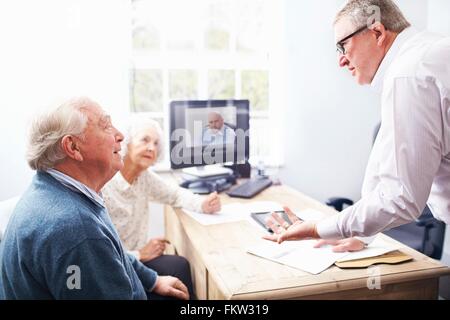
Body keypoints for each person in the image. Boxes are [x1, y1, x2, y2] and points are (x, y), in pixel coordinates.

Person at [265, 0, 450, 248]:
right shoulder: (421, 55)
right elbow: (385, 159)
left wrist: (320, 229)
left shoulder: (409, 74)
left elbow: (402, 198)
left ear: (377, 32)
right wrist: (359, 235)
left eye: (343, 46)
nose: (341, 61)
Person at [0, 97, 189, 300]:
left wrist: (153, 280)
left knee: (178, 268)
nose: (120, 135)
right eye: (106, 126)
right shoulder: (76, 229)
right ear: (73, 147)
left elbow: (112, 252)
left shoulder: (58, 190)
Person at [102, 118, 221, 299]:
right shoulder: (104, 185)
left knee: (180, 266)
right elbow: (100, 252)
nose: (152, 147)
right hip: (118, 267)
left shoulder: (145, 177)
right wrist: (140, 254)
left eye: (156, 143)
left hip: (138, 260)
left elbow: (174, 194)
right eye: (145, 140)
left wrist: (203, 203)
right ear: (127, 143)